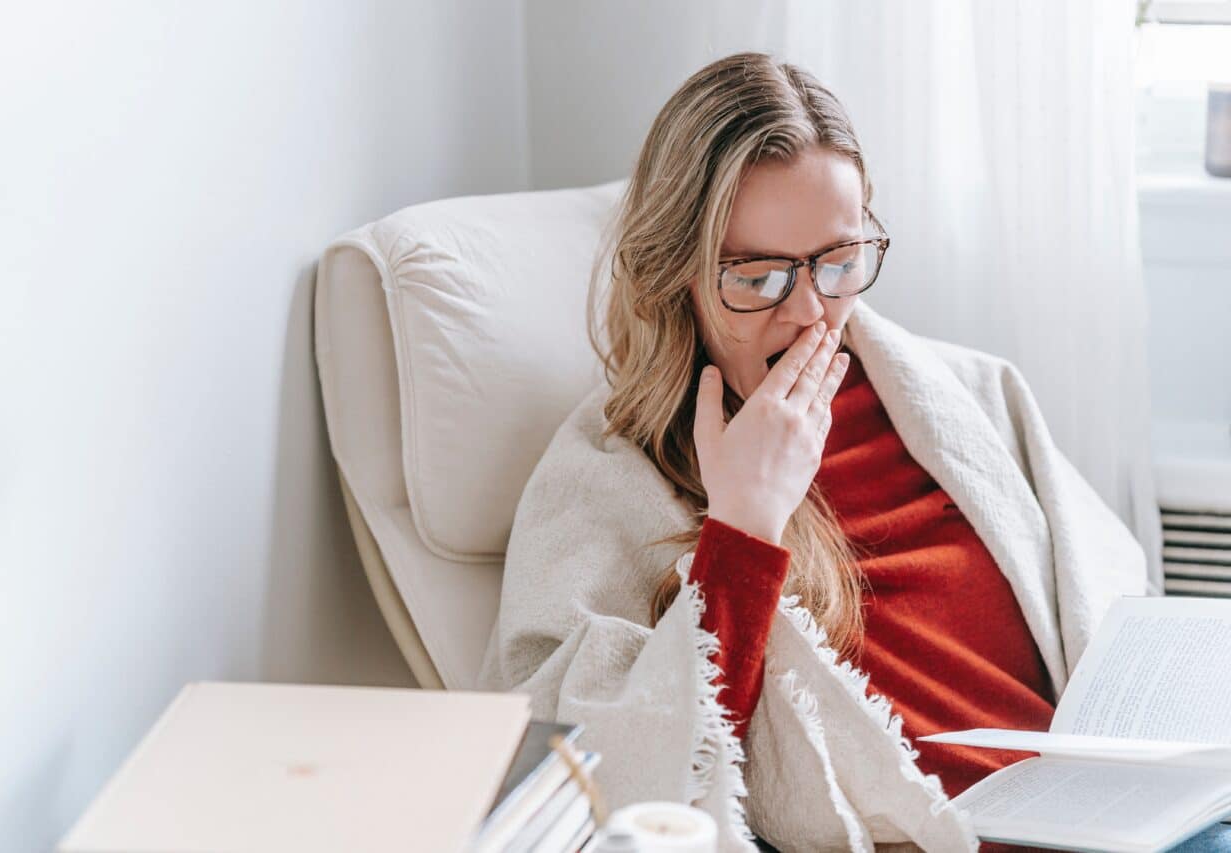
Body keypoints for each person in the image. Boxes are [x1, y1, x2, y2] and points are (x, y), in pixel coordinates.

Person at [476, 52, 1154, 852]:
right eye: (759, 277)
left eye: (838, 263)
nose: (810, 315)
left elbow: (1115, 614)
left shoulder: (970, 394)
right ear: (676, 276)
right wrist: (744, 523)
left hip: (1115, 825)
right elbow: (603, 775)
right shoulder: (607, 474)